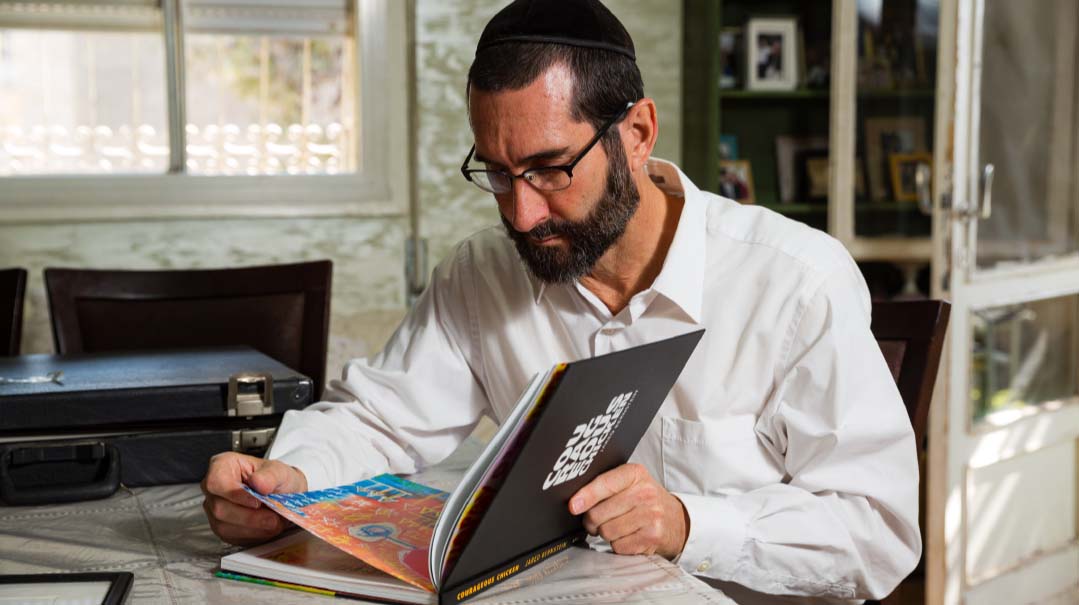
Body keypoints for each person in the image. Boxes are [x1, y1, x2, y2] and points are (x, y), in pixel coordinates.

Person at [201, 1, 921, 602]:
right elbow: (379, 419)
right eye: (497, 172)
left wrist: (686, 524)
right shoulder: (481, 274)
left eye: (549, 170)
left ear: (636, 135)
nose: (521, 214)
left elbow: (877, 531)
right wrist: (288, 480)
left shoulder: (795, 283)